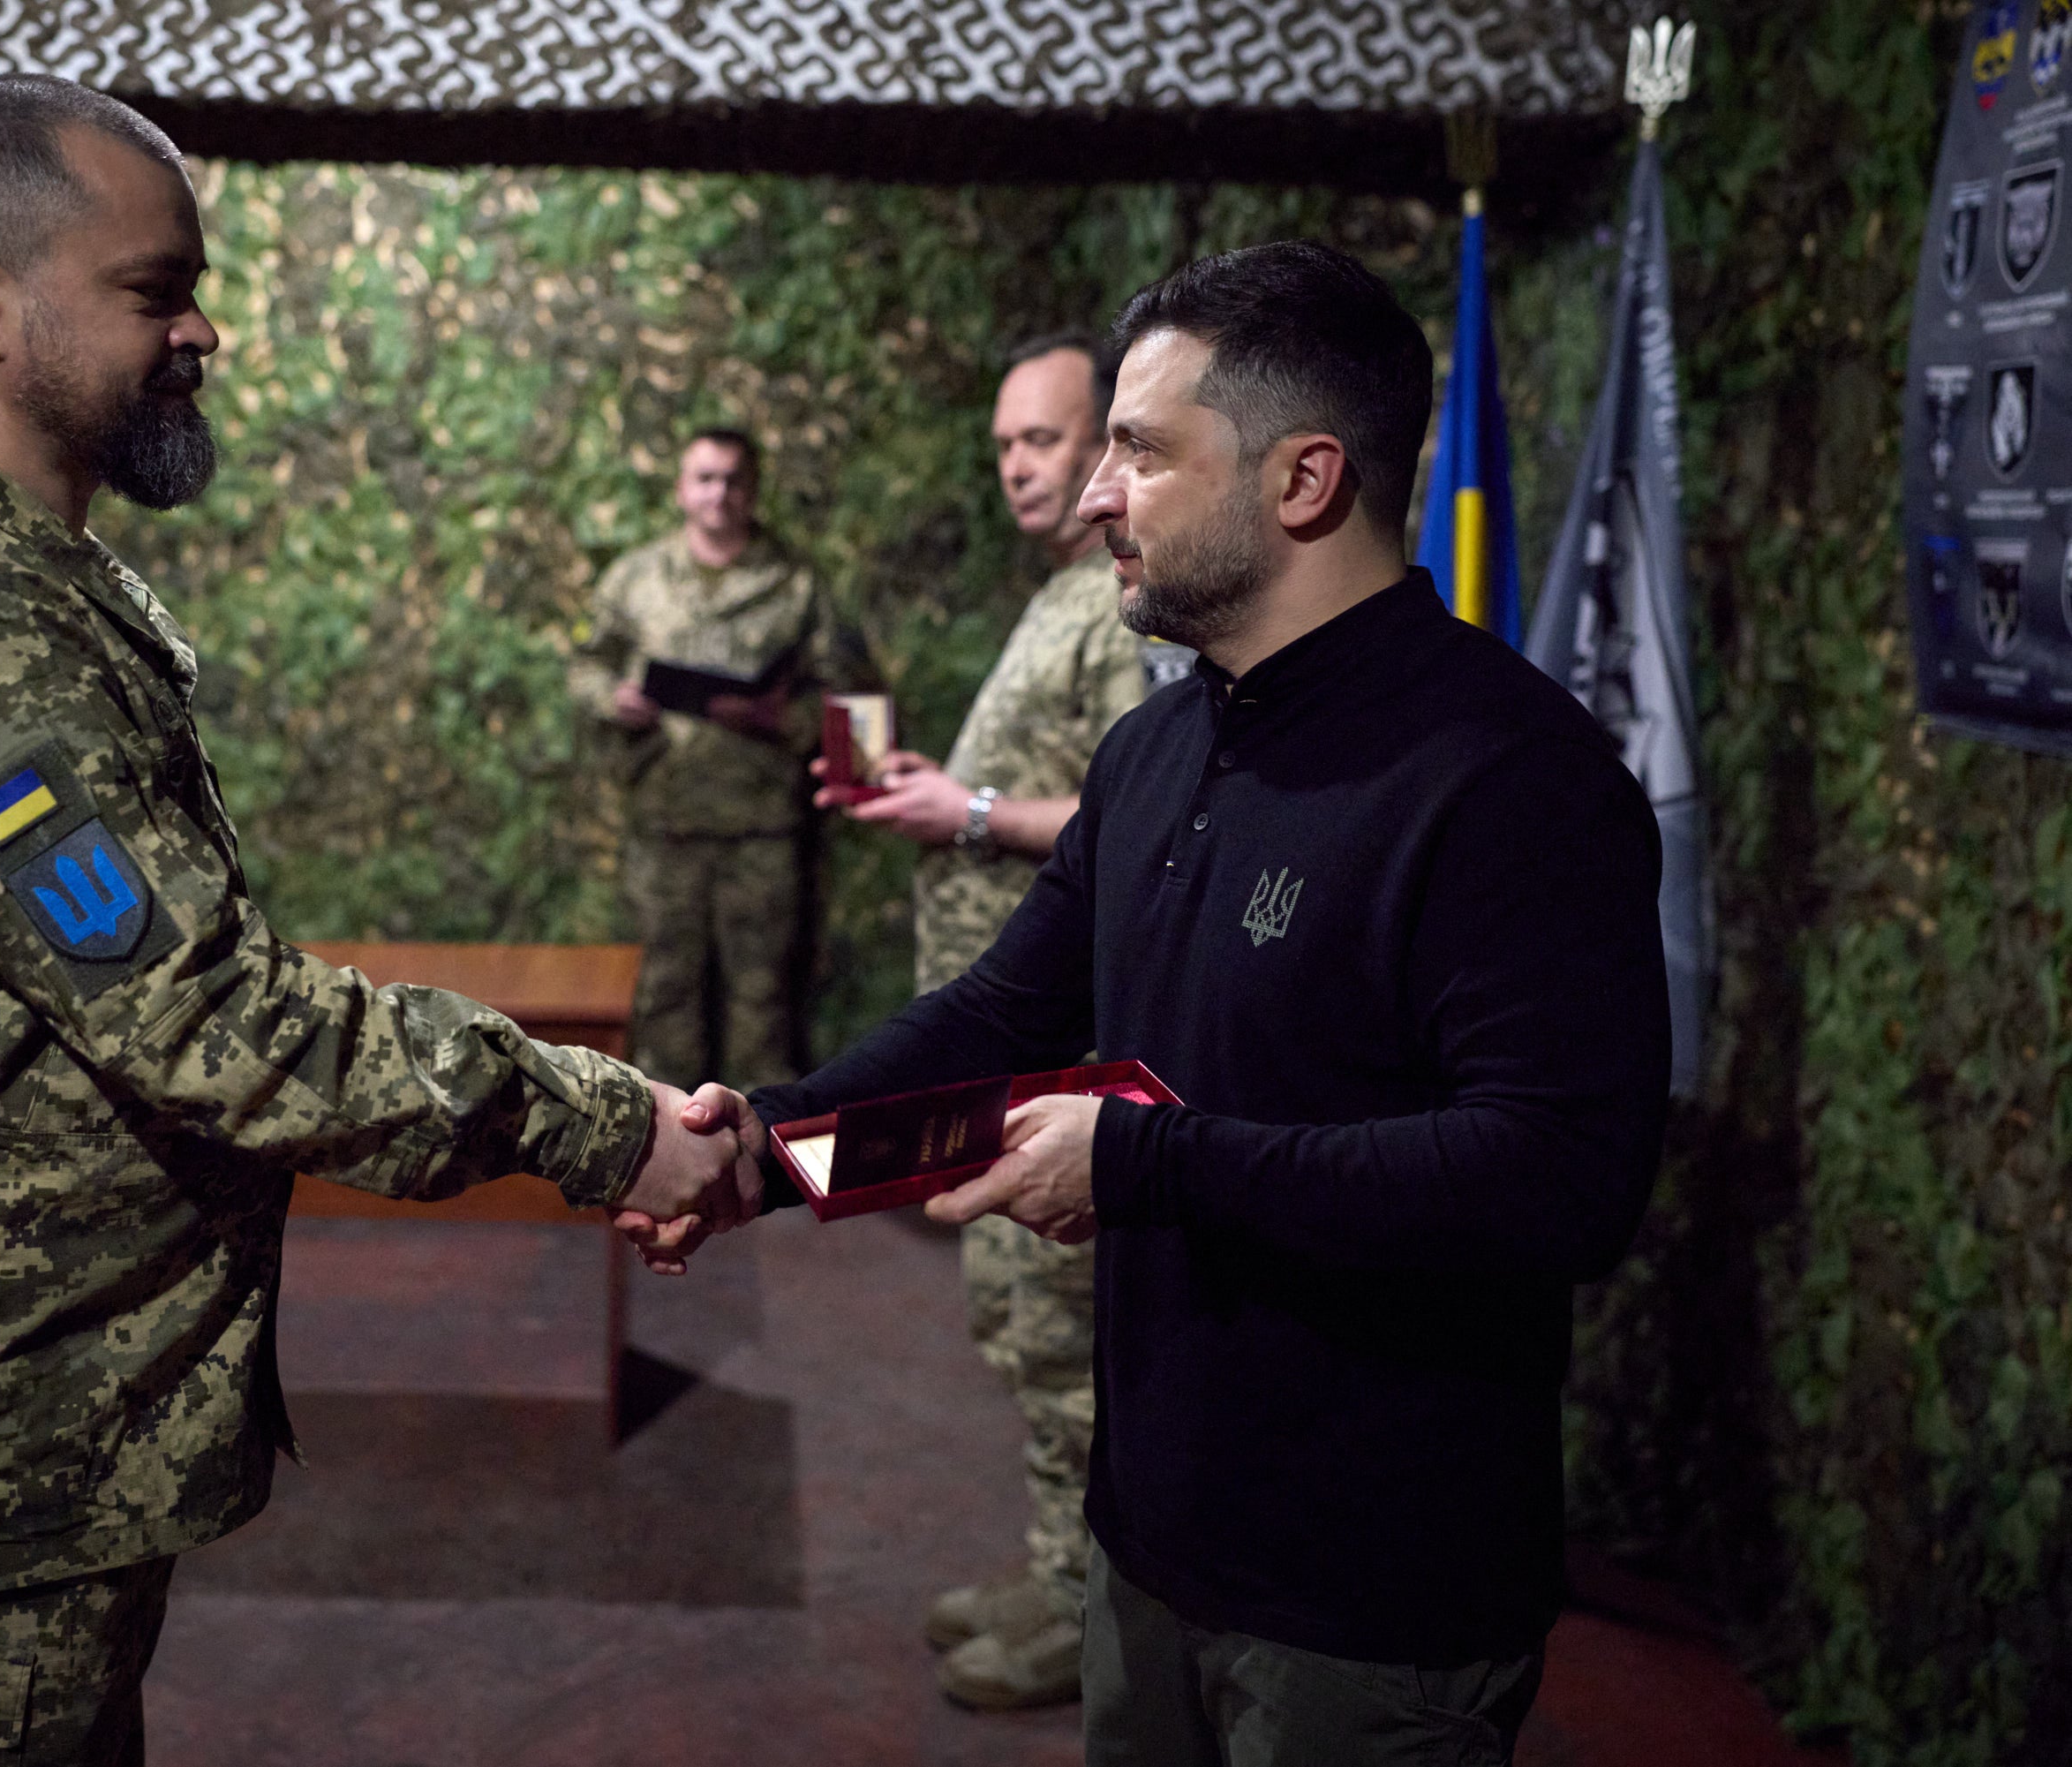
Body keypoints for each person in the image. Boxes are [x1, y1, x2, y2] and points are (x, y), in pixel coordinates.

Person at [0, 75, 753, 1765]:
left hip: (27, 1438)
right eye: (155, 290)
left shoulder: (17, 582)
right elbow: (228, 1031)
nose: (201, 329)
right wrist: (603, 1123)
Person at [708, 240, 1669, 1764]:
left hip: (1372, 1599)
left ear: (1302, 481)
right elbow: (1001, 1016)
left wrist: (1148, 1162)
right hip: (1149, 1548)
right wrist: (754, 1154)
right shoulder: (1156, 755)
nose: (1096, 495)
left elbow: (1561, 1182)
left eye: (1140, 452)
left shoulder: (1512, 782)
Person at [816, 331, 1147, 1711]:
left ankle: (1090, 1609)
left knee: (1063, 1330)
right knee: (1021, 1326)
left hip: (1067, 1048)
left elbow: (1139, 823)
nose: (1022, 465)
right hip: (1009, 1043)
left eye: (1047, 440)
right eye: (1007, 443)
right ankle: (1050, 1561)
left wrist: (968, 813)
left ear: (1108, 445)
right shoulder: (1064, 594)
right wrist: (941, 790)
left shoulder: (1127, 610)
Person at [568, 430, 854, 1093]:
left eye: (732, 479)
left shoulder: (795, 582)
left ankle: (764, 1146)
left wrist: (780, 719)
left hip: (763, 822)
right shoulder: (635, 578)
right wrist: (613, 698)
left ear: (752, 491)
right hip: (665, 817)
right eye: (704, 478)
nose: (718, 493)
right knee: (665, 987)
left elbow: (846, 695)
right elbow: (586, 663)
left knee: (765, 992)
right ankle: (664, 1134)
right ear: (680, 488)